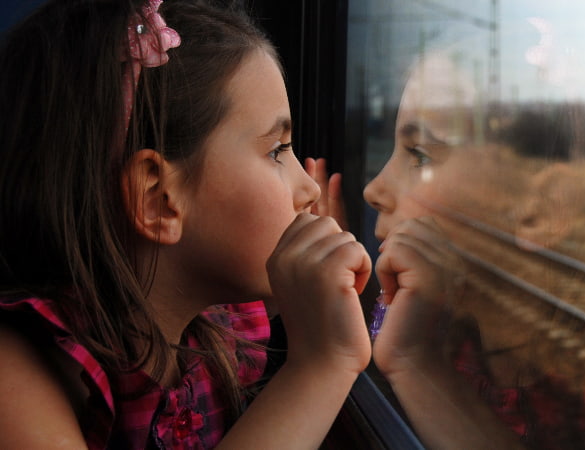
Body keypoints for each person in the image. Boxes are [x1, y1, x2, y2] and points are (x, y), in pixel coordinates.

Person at [0, 0, 372, 448]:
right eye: (277, 150)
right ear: (157, 200)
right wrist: (319, 365)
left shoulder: (218, 329)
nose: (308, 189)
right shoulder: (18, 376)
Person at [363, 53, 585, 449]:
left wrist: (416, 361)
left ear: (542, 210)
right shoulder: (452, 332)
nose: (374, 189)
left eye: (420, 155)